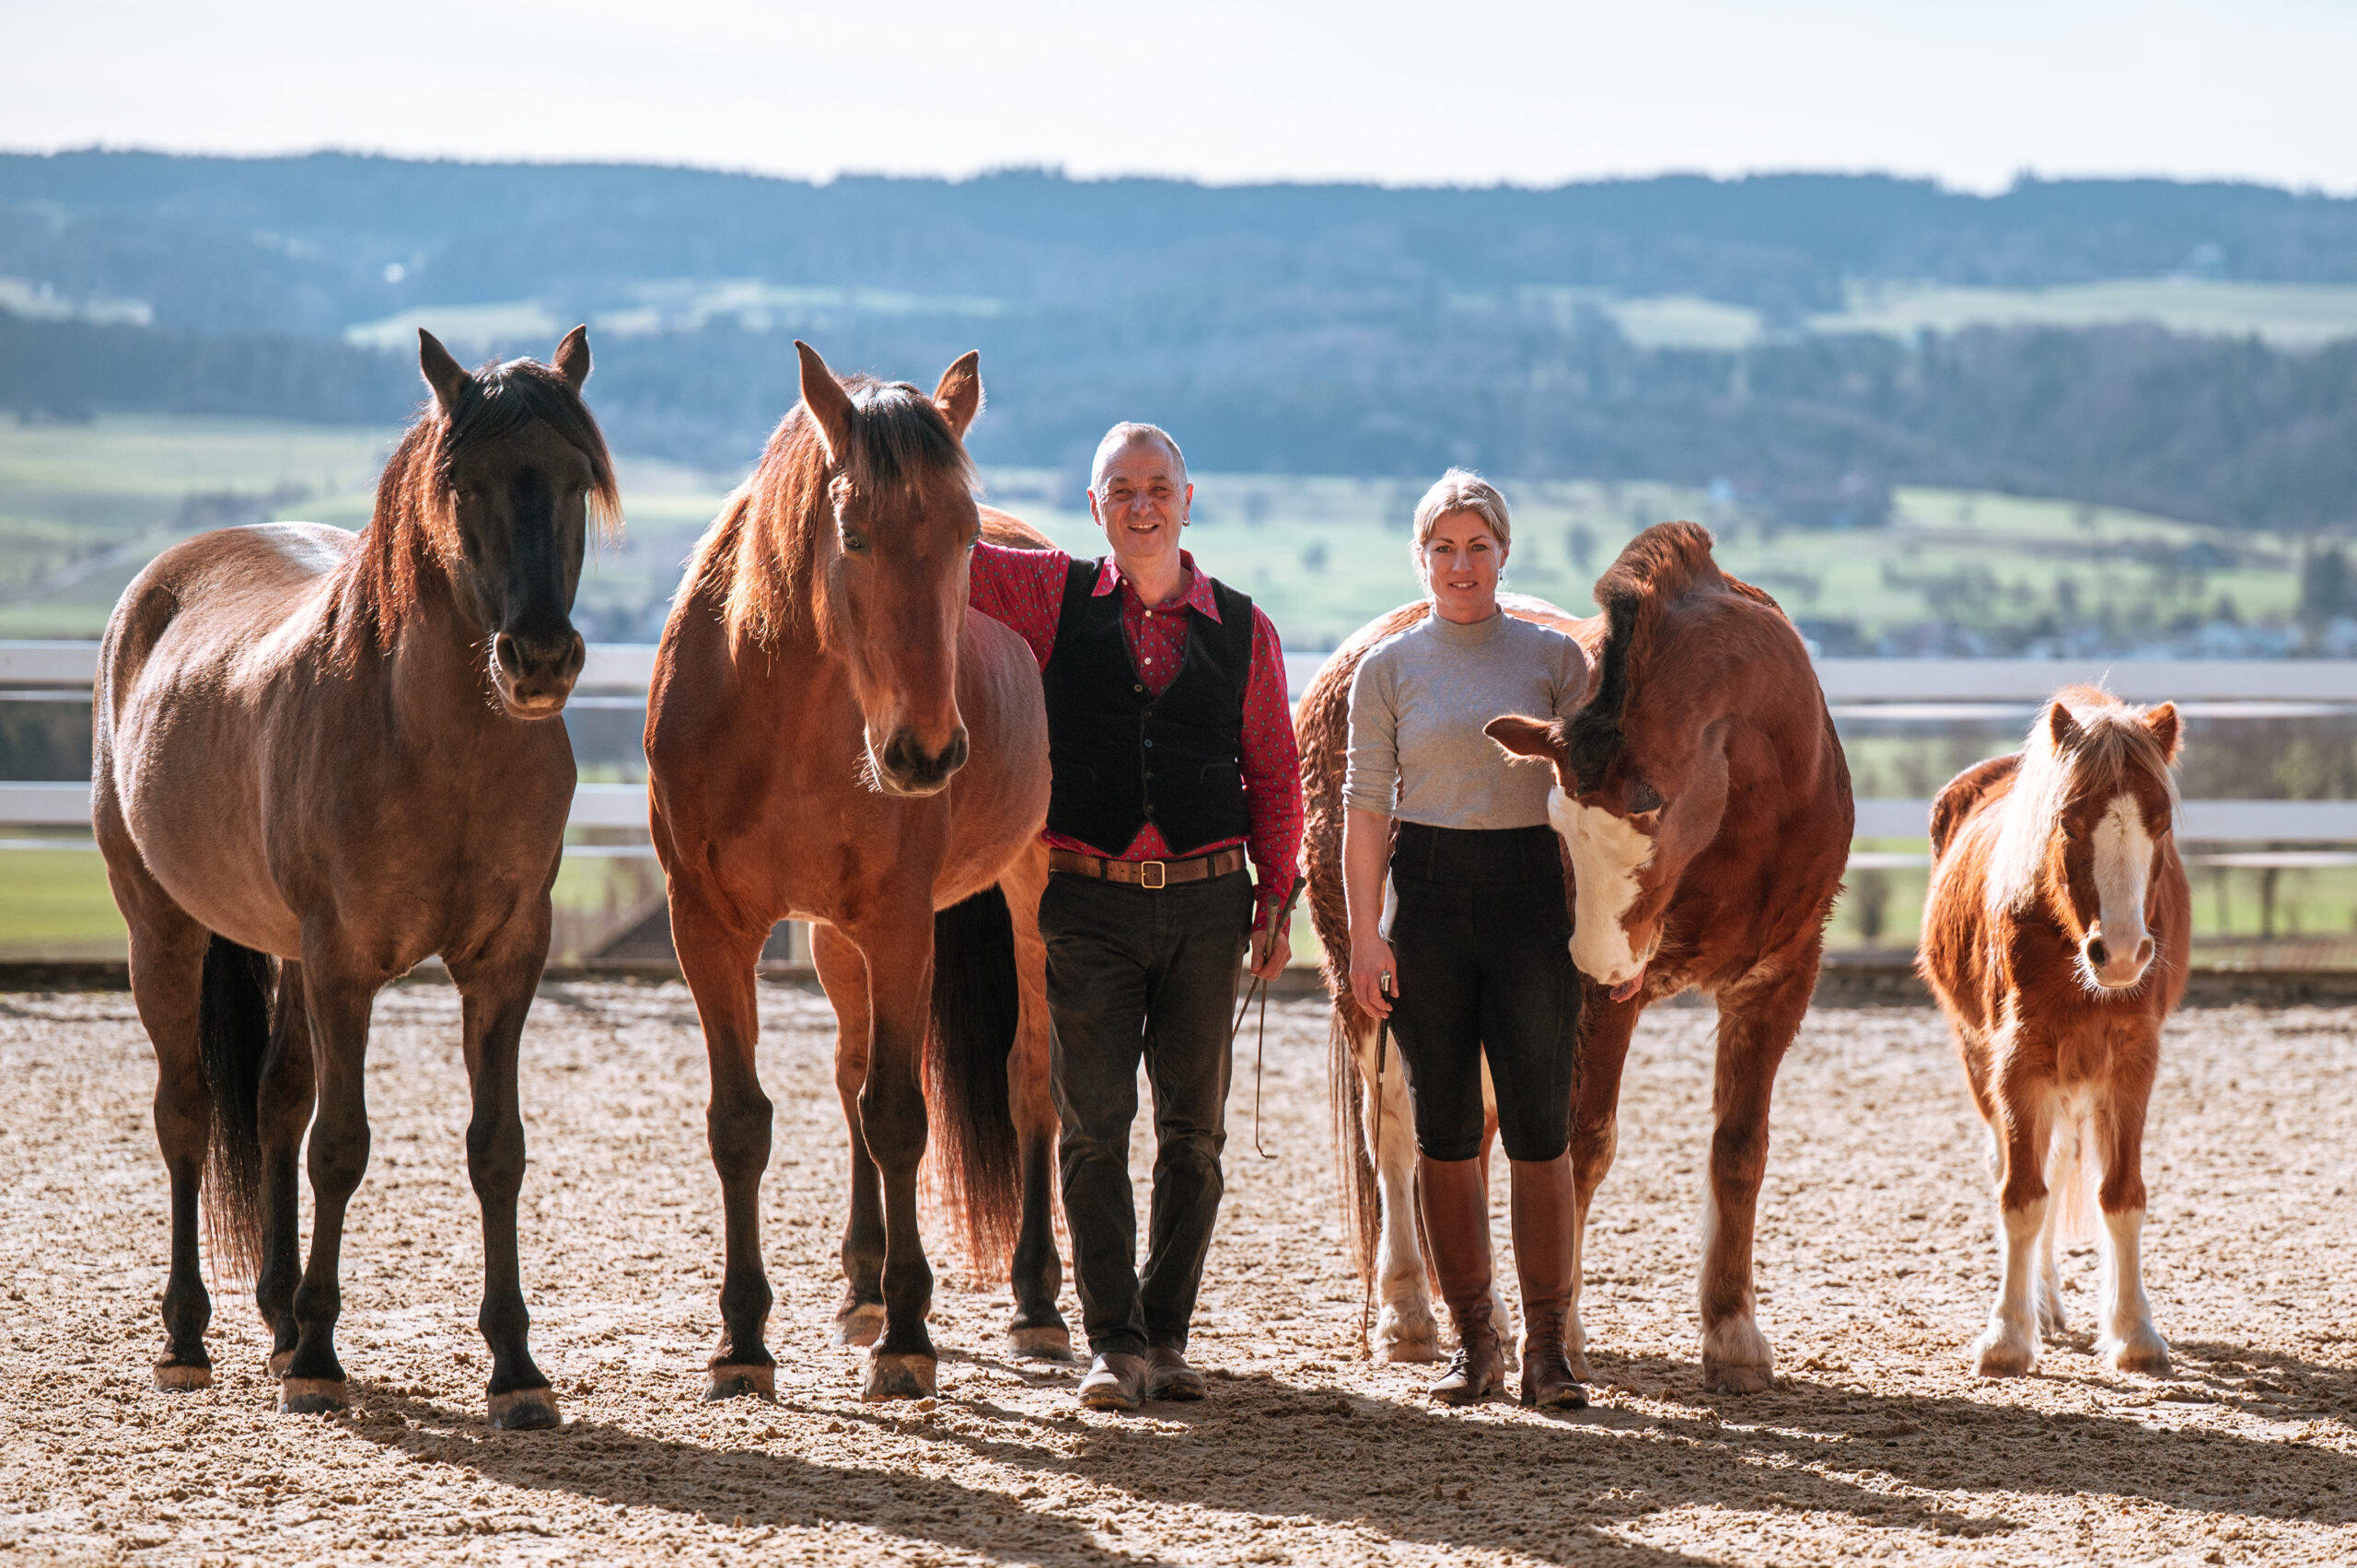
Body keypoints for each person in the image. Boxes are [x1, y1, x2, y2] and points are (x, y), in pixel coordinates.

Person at [968, 423, 1303, 1412]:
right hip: (1087, 903)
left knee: (1194, 1136)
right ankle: (1111, 1343)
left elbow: (1273, 772)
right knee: (1091, 1129)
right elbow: (940, 535)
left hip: (1208, 904)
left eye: (1159, 487)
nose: (1142, 504)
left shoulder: (1244, 627)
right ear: (1094, 507)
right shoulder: (1046, 593)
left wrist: (1276, 892)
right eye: (1122, 489)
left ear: (1188, 501)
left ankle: (1166, 1334)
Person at [1341, 469, 1589, 1408]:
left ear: (1503, 552)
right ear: (1421, 557)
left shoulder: (1554, 660)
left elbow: (1599, 798)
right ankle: (1474, 1345)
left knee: (1539, 1133)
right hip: (1430, 905)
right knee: (1445, 1135)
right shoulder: (1389, 667)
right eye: (1442, 547)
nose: (1459, 563)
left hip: (1531, 902)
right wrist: (1367, 934)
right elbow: (1364, 810)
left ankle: (1548, 1349)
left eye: (1476, 545)